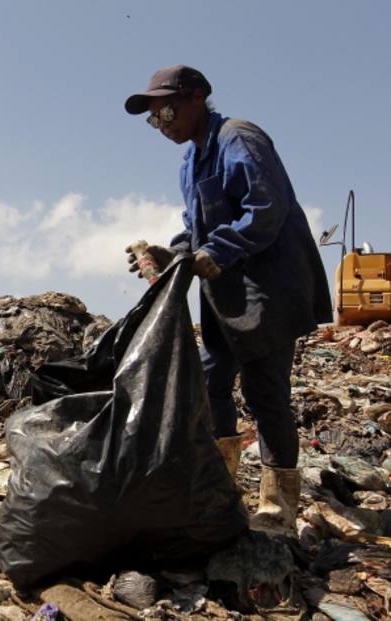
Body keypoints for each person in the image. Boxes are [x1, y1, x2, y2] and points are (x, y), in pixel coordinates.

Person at [123, 65, 331, 536]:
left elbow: (266, 208)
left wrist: (216, 251)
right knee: (209, 382)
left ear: (198, 97)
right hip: (226, 295)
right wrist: (170, 252)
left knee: (265, 392)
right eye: (154, 120)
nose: (164, 124)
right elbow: (196, 229)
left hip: (269, 289)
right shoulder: (190, 161)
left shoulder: (238, 138)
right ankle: (222, 485)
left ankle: (279, 508)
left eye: (168, 110)